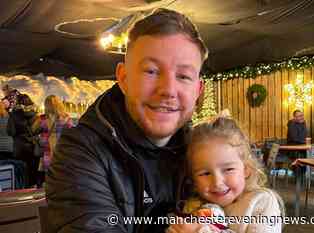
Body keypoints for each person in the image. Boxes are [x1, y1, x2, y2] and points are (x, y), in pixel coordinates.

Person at [46, 8, 208, 233]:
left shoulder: (203, 152)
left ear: (198, 90)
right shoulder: (80, 152)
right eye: (151, 71)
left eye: (183, 76)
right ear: (123, 78)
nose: (168, 90)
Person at [168, 116, 284, 233]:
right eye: (205, 173)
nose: (217, 182)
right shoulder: (192, 205)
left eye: (228, 169)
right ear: (193, 178)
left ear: (246, 169)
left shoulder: (262, 202)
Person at [32, 95, 73, 187]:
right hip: (61, 150)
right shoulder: (66, 118)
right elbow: (72, 131)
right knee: (60, 172)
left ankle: (46, 189)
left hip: (47, 150)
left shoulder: (42, 119)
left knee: (47, 173)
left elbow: (33, 130)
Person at [6, 93, 39, 187]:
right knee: (32, 169)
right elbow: (37, 130)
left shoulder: (14, 115)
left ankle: (22, 190)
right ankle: (33, 189)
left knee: (21, 171)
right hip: (32, 146)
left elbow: (10, 132)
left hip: (19, 147)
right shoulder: (35, 114)